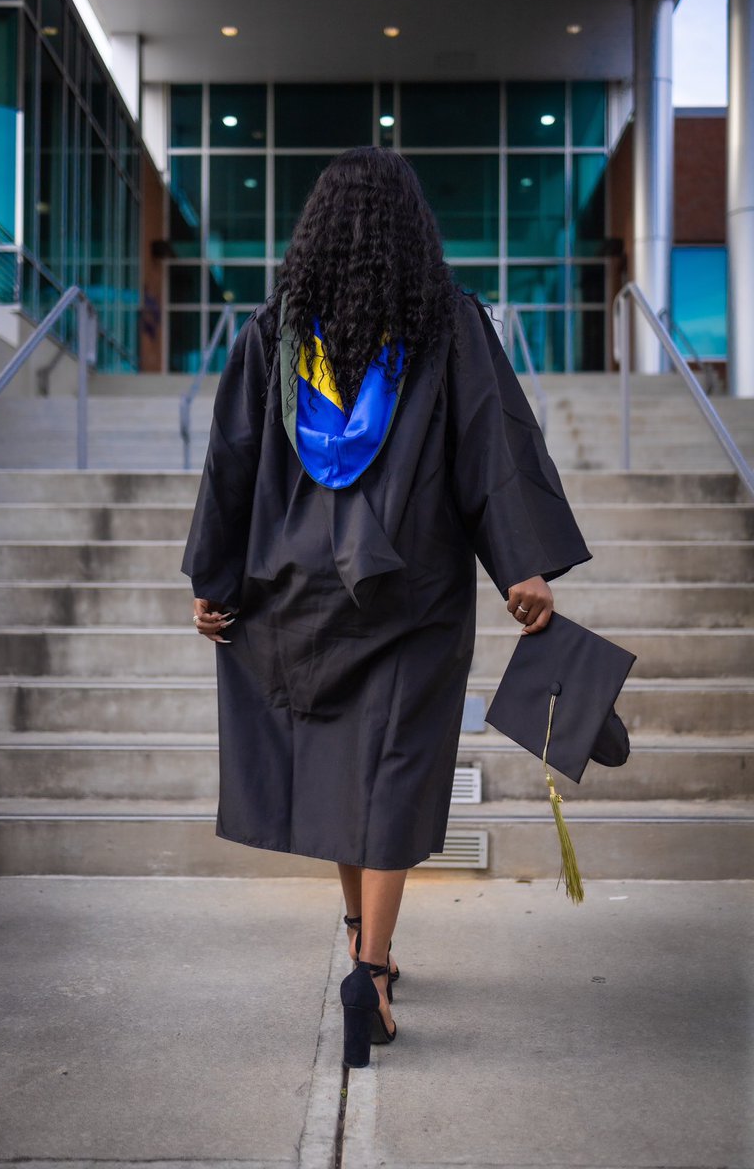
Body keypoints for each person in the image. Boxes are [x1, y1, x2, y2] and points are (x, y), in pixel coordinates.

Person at [181, 146, 592, 1069]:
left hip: (296, 597)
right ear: (415, 232)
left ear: (316, 233)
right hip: (415, 590)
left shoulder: (273, 337)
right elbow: (494, 447)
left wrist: (215, 579)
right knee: (395, 770)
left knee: (332, 764)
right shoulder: (447, 326)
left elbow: (232, 461)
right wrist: (522, 566)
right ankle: (369, 971)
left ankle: (366, 941)